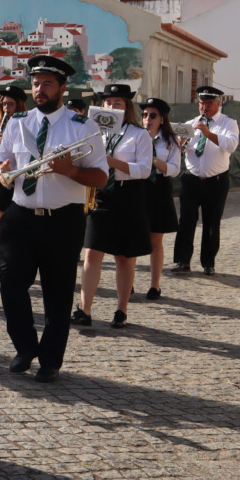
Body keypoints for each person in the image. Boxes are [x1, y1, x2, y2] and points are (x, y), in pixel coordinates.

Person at [0, 56, 108, 383]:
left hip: (63, 220)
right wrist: (1, 171)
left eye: (47, 84)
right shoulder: (17, 122)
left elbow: (100, 177)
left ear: (61, 87)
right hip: (20, 215)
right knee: (10, 284)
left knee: (58, 294)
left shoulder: (82, 126)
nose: (39, 89)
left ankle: (50, 360)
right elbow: (3, 161)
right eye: (36, 83)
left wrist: (70, 170)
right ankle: (25, 347)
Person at [73, 85, 153, 329]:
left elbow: (145, 169)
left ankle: (121, 309)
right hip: (101, 194)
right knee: (92, 252)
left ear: (126, 106)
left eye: (117, 103)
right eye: (108, 103)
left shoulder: (139, 134)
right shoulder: (94, 133)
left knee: (124, 257)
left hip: (128, 195)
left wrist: (112, 161)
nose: (112, 107)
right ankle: (84, 309)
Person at [172, 85, 239, 276]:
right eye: (202, 103)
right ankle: (182, 261)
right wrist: (182, 142)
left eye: (209, 103)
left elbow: (231, 145)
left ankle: (208, 263)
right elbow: (177, 149)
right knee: (186, 220)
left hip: (215, 181)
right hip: (191, 180)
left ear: (218, 104)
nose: (204, 107)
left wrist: (208, 133)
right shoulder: (190, 123)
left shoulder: (228, 123)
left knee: (211, 222)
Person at [0, 86, 26, 279]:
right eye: (4, 103)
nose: (6, 107)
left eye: (10, 104)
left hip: (18, 174)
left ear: (19, 105)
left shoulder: (25, 122)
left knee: (16, 222)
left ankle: (16, 261)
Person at [141, 98, 181, 299]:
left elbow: (174, 170)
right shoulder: (135, 137)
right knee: (129, 236)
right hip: (138, 188)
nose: (147, 119)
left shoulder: (170, 141)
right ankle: (126, 281)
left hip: (159, 189)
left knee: (155, 239)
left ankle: (155, 285)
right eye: (145, 115)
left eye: (152, 115)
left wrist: (154, 160)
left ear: (162, 119)